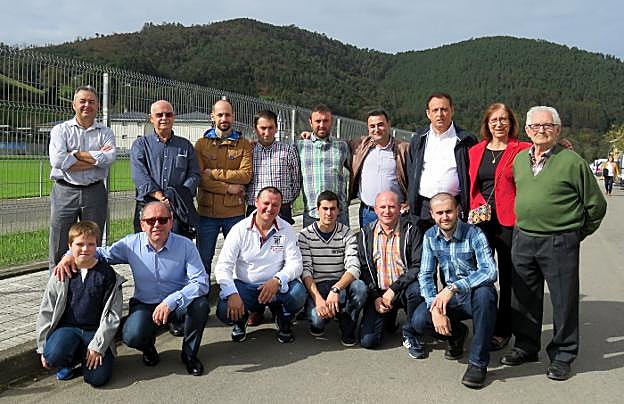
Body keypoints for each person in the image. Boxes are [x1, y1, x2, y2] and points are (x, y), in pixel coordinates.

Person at [501, 106, 607, 381]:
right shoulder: (520, 160)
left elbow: (596, 205)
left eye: (547, 126)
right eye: (535, 126)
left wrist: (574, 234)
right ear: (527, 131)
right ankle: (526, 346)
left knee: (563, 300)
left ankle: (562, 355)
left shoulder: (572, 162)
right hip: (524, 238)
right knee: (523, 297)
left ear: (558, 130)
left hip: (559, 240)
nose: (541, 130)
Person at [55, 202, 210, 376]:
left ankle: (189, 354)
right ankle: (148, 348)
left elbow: (201, 282)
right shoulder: (131, 244)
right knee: (131, 335)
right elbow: (101, 253)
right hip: (145, 303)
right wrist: (69, 255)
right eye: (150, 221)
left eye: (162, 220)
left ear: (171, 222)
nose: (157, 225)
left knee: (200, 305)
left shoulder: (186, 245)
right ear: (142, 224)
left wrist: (171, 301)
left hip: (176, 303)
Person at [405, 193, 497, 389]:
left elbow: (489, 271)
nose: (444, 217)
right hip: (451, 298)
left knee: (485, 295)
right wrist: (434, 308)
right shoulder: (430, 236)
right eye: (439, 213)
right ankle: (457, 334)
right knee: (420, 320)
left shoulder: (474, 233)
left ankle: (478, 363)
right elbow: (425, 275)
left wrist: (454, 287)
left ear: (457, 210)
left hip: (473, 295)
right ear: (432, 214)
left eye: (449, 211)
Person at [467, 103, 531, 351]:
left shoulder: (522, 149)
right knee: (480, 273)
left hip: (508, 221)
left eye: (504, 119)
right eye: (494, 120)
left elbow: (544, 155)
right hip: (480, 219)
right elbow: (471, 184)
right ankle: (483, 322)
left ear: (511, 123)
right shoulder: (475, 151)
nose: (499, 124)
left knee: (507, 277)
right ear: (487, 124)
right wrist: (477, 205)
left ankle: (503, 330)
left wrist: (563, 147)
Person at [37, 221, 125, 387]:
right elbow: (47, 310)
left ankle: (91, 356)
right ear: (70, 245)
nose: (85, 249)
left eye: (91, 244)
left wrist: (98, 346)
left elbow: (112, 316)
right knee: (52, 354)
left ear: (97, 246)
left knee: (97, 379)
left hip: (96, 331)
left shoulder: (108, 275)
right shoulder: (61, 273)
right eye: (79, 244)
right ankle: (67, 362)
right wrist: (42, 347)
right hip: (68, 329)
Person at [214, 186, 306, 343]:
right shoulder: (239, 230)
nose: (270, 209)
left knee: (298, 293)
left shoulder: (286, 229)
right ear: (256, 202)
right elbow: (223, 266)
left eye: (275, 205)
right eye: (266, 203)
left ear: (280, 206)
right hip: (246, 286)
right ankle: (240, 320)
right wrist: (232, 294)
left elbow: (296, 263)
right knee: (224, 310)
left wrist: (277, 280)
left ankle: (283, 317)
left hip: (275, 286)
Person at [48, 85, 116, 269]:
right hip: (65, 190)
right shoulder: (60, 130)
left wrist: (75, 154)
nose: (87, 105)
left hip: (94, 191)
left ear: (98, 106)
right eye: (82, 101)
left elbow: (109, 158)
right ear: (74, 105)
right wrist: (96, 158)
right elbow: (58, 161)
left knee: (92, 242)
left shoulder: (105, 132)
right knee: (59, 241)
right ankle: (58, 282)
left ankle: (90, 281)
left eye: (91, 102)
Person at [299, 191, 367, 346]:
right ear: (317, 210)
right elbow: (306, 271)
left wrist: (336, 289)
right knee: (317, 321)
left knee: (360, 287)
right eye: (325, 208)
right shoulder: (305, 235)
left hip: (340, 284)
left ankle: (347, 322)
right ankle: (325, 314)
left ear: (338, 211)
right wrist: (318, 300)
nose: (329, 213)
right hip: (317, 286)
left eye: (332, 209)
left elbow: (354, 267)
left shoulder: (347, 233)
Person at [357, 191, 423, 349]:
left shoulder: (411, 230)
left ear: (400, 208)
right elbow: (364, 269)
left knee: (416, 290)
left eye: (392, 207)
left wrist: (394, 289)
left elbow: (417, 265)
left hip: (403, 288)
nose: (387, 211)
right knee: (368, 341)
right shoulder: (365, 234)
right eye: (382, 207)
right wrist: (375, 297)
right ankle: (389, 317)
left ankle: (411, 332)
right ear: (375, 209)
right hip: (379, 293)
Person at [195, 98, 252, 278]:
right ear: (212, 117)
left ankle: (236, 293)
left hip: (233, 213)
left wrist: (214, 173)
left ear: (233, 117)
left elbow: (245, 175)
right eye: (220, 115)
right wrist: (228, 188)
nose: (224, 118)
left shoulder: (243, 144)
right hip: (207, 214)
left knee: (238, 260)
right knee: (203, 259)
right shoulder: (201, 144)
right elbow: (201, 179)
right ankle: (202, 293)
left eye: (227, 115)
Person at [130, 100, 200, 239]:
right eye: (159, 115)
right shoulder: (141, 145)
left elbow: (194, 174)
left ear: (173, 117)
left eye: (168, 114)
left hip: (177, 209)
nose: (164, 118)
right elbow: (139, 175)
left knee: (177, 247)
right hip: (148, 206)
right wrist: (161, 197)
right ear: (151, 118)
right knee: (146, 247)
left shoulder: (185, 146)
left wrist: (177, 196)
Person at [407, 93, 477, 232]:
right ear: (428, 113)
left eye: (444, 109)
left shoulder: (466, 140)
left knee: (455, 244)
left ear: (452, 110)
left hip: (454, 207)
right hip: (424, 208)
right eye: (435, 110)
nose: (440, 114)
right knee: (424, 244)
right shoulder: (419, 139)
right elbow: (410, 171)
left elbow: (473, 175)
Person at [349, 109, 409, 228]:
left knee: (397, 241)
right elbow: (337, 144)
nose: (376, 129)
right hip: (368, 213)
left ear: (388, 124)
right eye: (372, 126)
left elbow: (415, 179)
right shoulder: (360, 146)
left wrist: (409, 203)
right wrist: (311, 135)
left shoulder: (403, 149)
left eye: (380, 125)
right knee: (368, 240)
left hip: (395, 213)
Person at [297, 104, 351, 227]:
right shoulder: (300, 146)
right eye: (318, 121)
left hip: (339, 213)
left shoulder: (342, 146)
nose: (322, 125)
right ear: (310, 122)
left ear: (331, 122)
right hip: (312, 214)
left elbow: (356, 170)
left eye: (326, 121)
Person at [246, 109, 301, 224]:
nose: (267, 133)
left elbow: (296, 181)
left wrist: (285, 201)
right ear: (255, 129)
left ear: (276, 128)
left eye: (270, 128)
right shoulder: (249, 152)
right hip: (255, 208)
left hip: (282, 209)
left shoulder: (288, 151)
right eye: (263, 128)